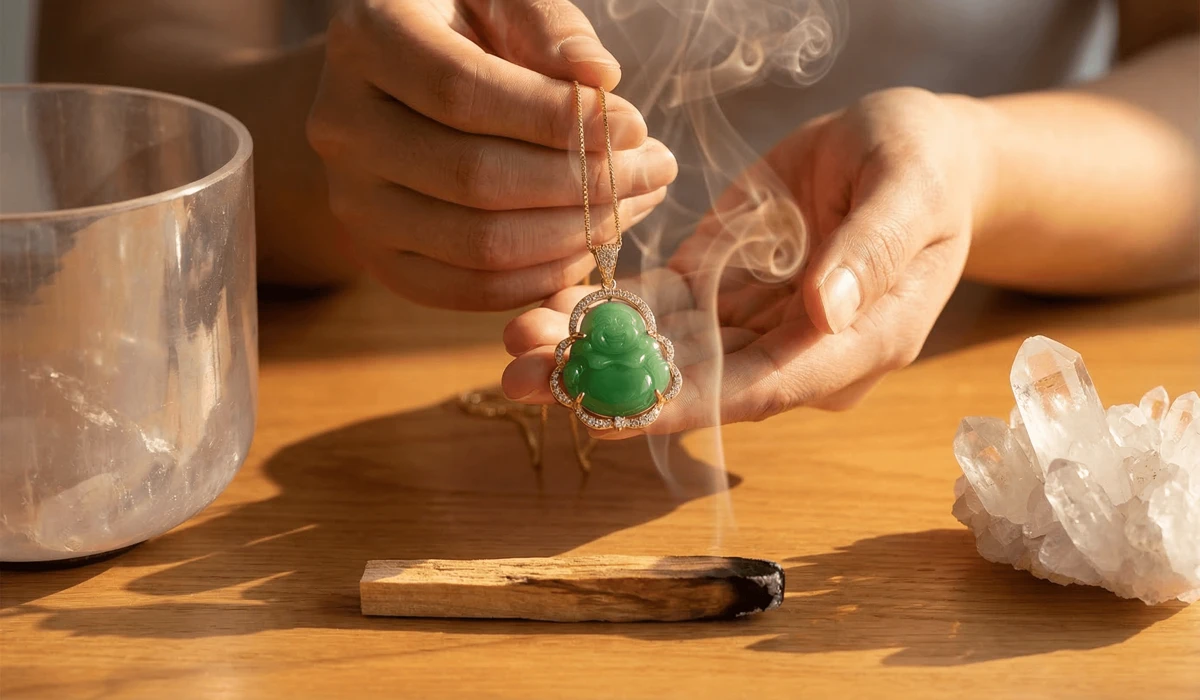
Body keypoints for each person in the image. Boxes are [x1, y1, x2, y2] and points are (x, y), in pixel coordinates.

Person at [37, 0, 1199, 435]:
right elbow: (104, 63)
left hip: (947, 366)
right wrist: (315, 138)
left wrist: (982, 160)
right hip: (311, 370)